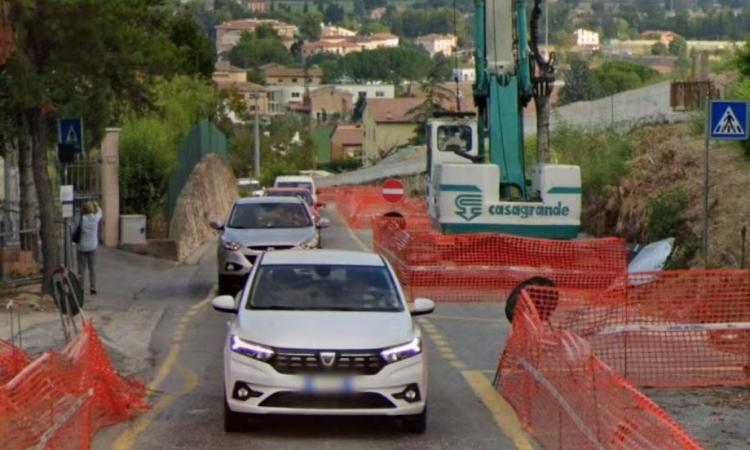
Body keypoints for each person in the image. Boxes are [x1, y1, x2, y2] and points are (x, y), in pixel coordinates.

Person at [76, 201, 102, 295]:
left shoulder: (82, 219)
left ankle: (80, 287)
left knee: (81, 268)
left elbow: (75, 227)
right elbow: (100, 212)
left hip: (82, 247)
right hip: (92, 246)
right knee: (92, 268)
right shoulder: (95, 218)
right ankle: (93, 287)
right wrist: (96, 205)